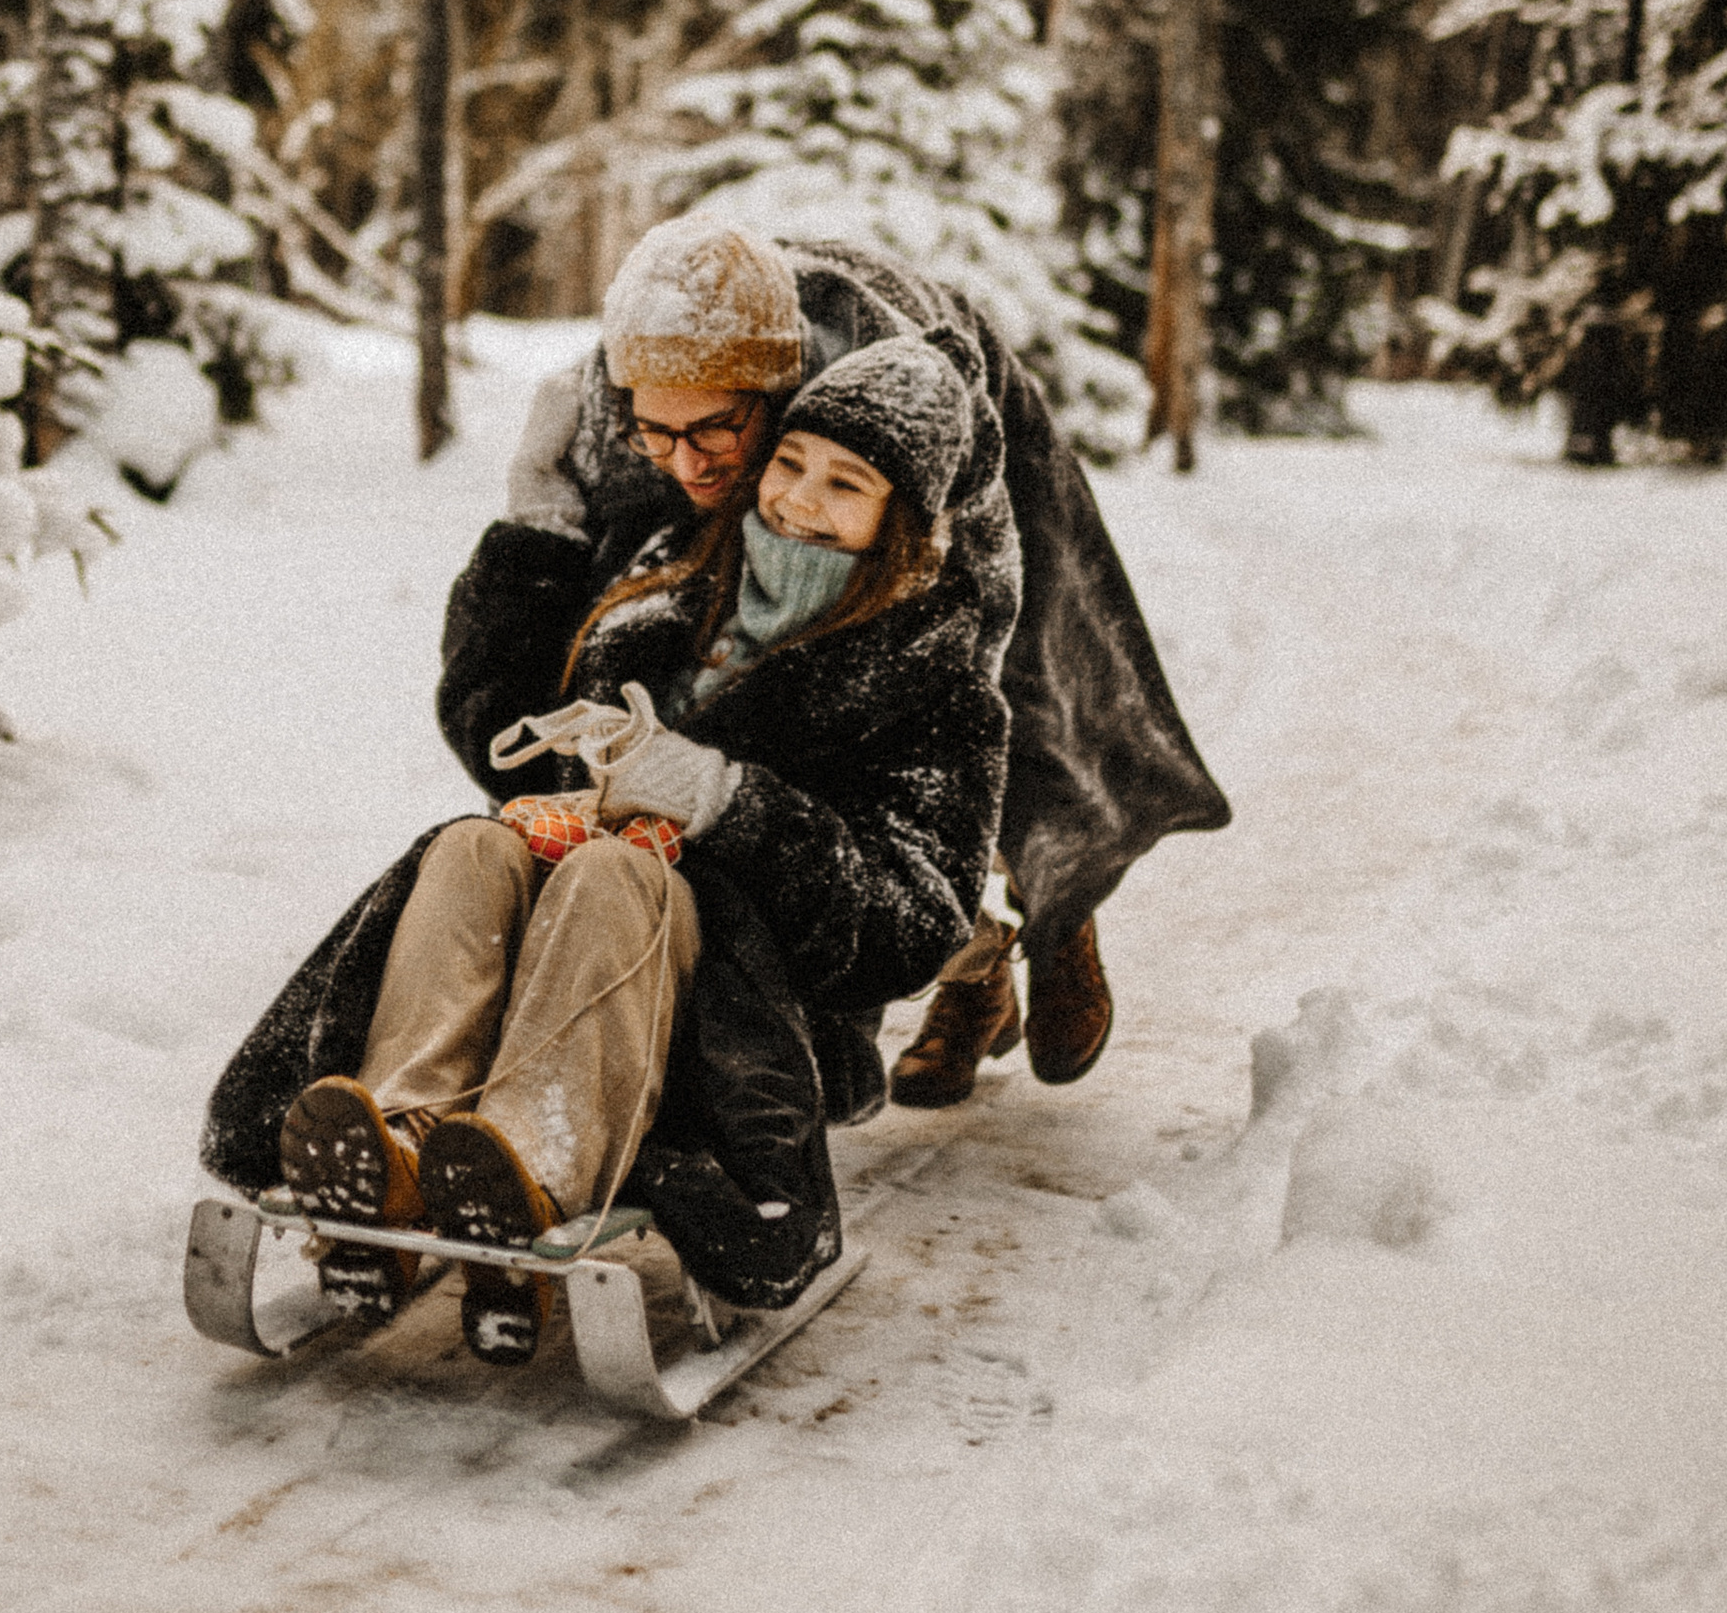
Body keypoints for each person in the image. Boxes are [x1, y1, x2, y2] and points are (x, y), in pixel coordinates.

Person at [201, 340, 1007, 1362]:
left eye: (845, 484)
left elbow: (908, 928)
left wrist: (729, 804)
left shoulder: (935, 691)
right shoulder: (672, 580)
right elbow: (495, 715)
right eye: (791, 461)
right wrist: (535, 534)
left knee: (618, 871)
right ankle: (407, 1145)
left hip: (734, 1020)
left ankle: (525, 1170)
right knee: (472, 850)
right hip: (554, 959)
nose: (799, 499)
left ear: (903, 519)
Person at [440, 212, 1228, 1107]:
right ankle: (970, 961)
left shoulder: (898, 414)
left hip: (951, 406)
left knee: (1024, 719)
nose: (680, 461)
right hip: (742, 420)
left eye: (712, 436)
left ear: (776, 403)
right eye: (657, 436)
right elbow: (521, 701)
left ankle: (1044, 927)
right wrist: (534, 526)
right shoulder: (622, 434)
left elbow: (965, 665)